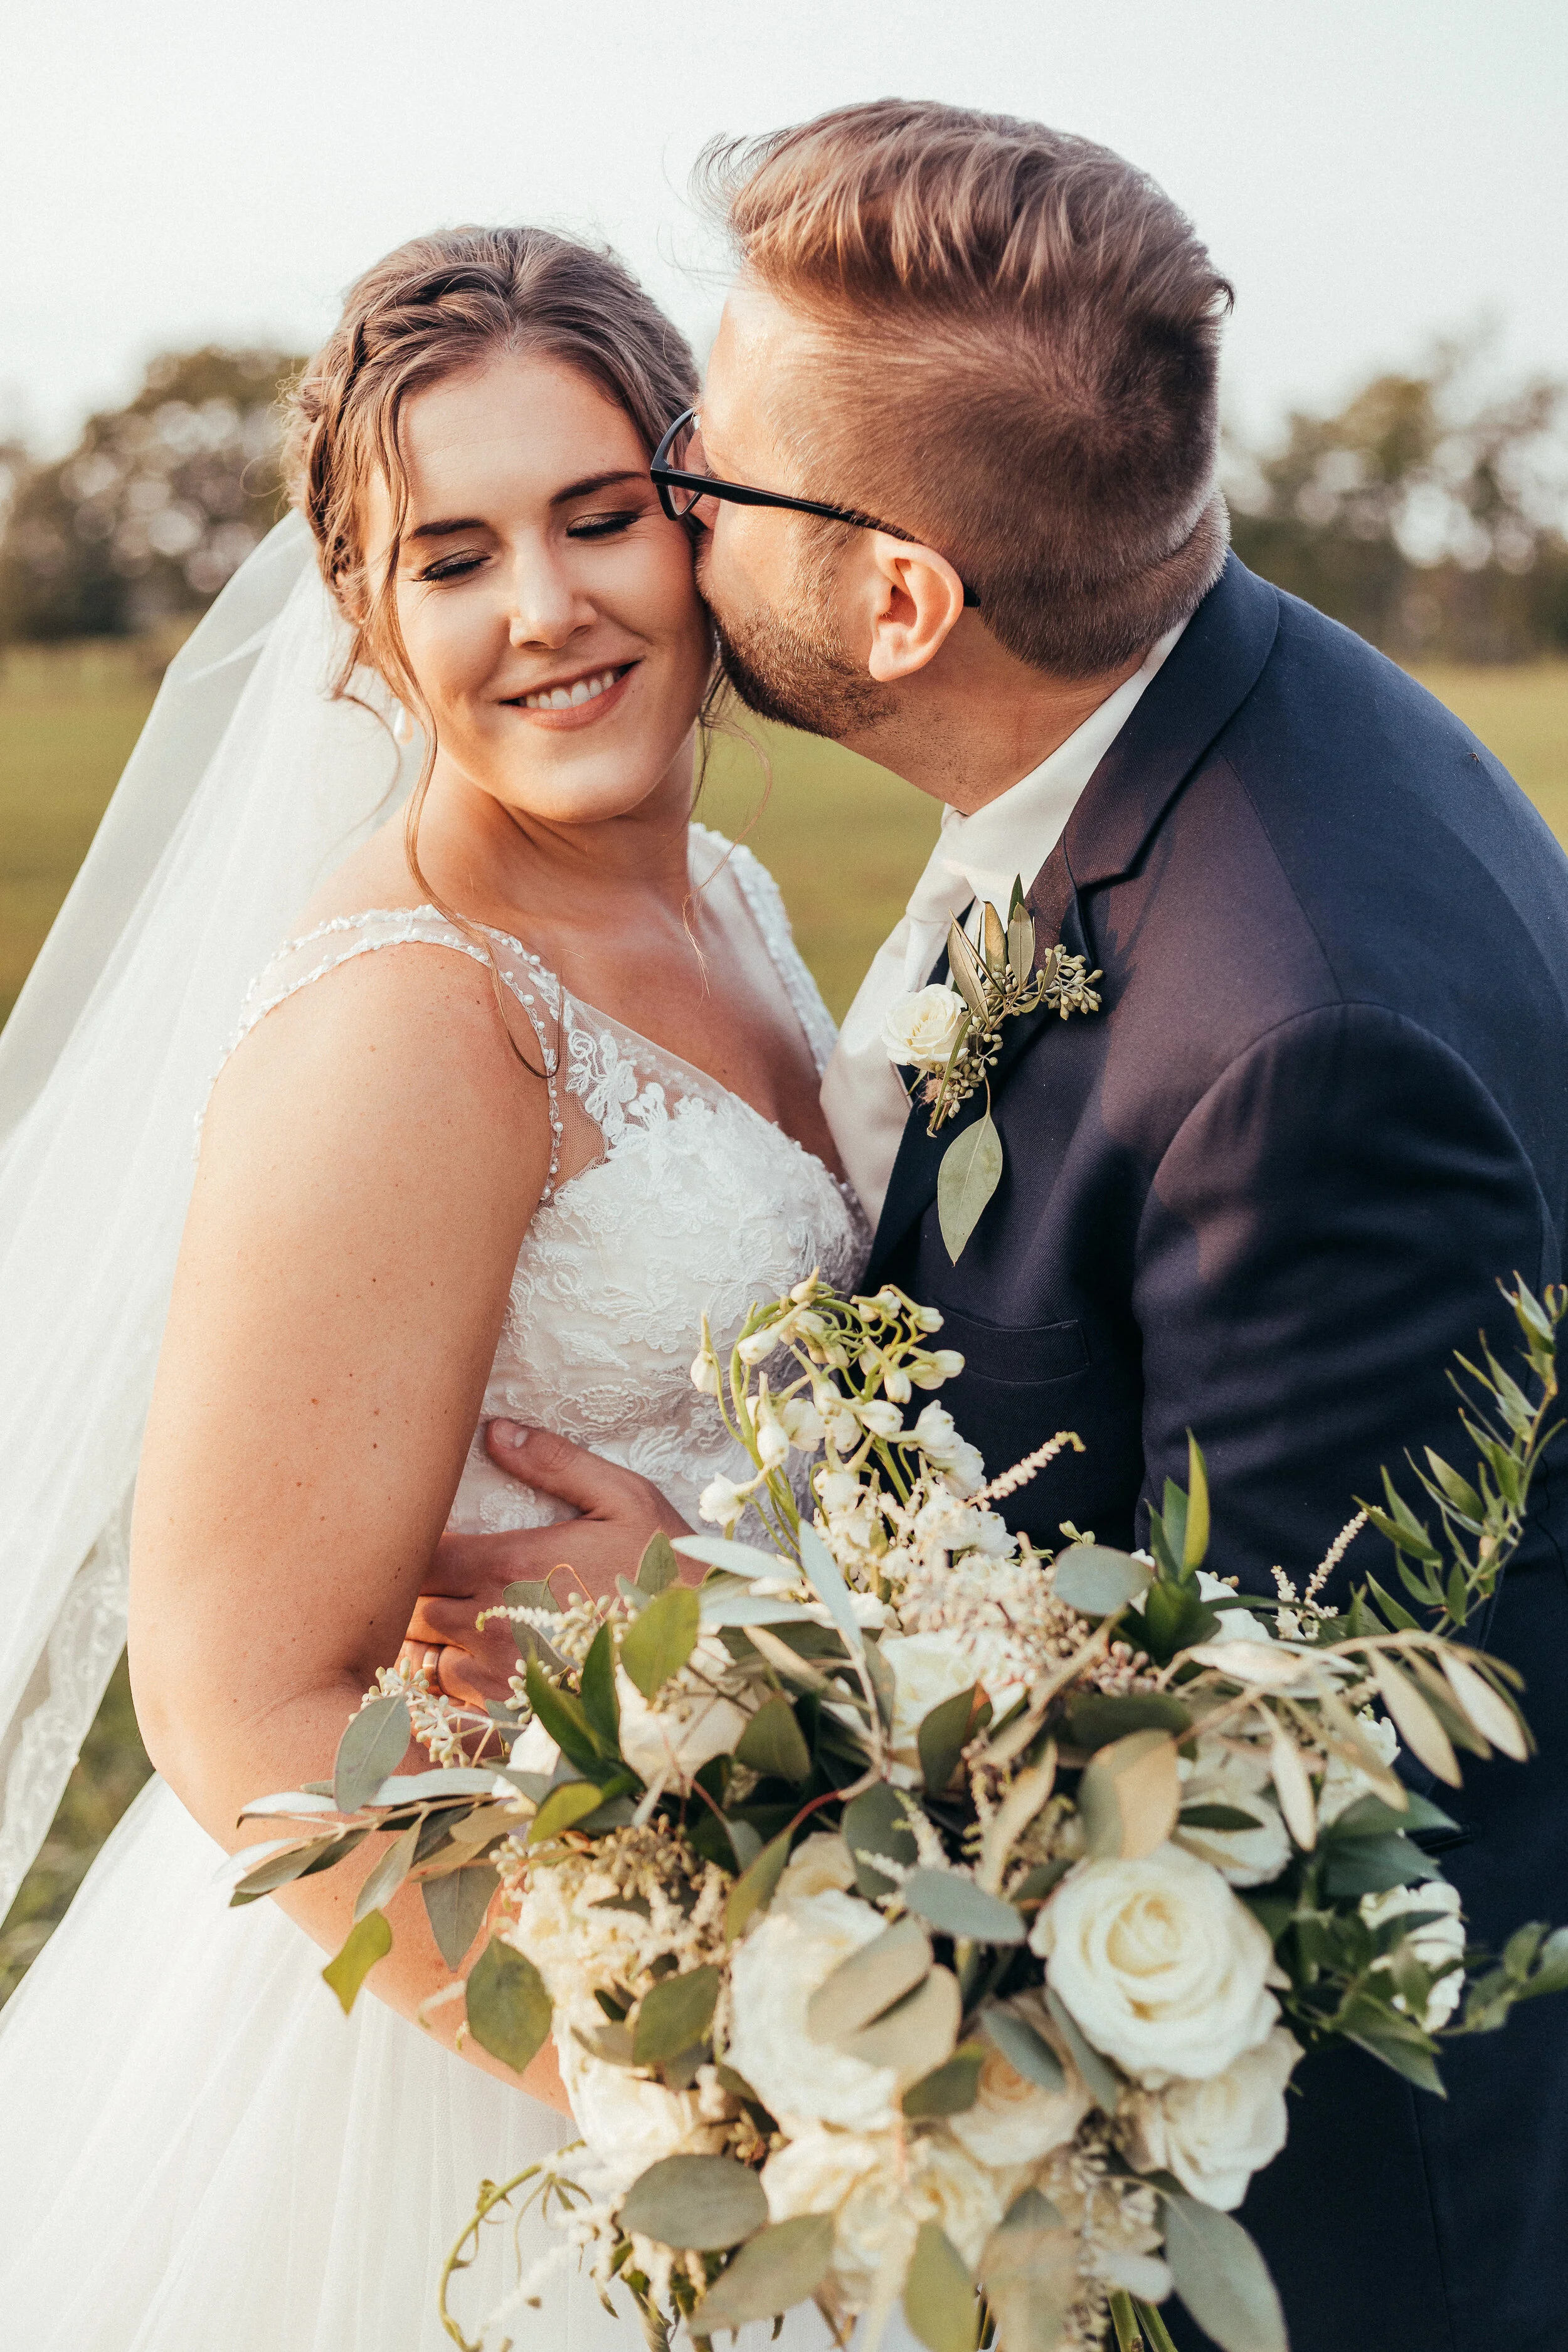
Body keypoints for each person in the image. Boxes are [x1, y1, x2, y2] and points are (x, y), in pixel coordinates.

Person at [447, 103, 1568, 2352]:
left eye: (710, 456)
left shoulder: (1290, 1044)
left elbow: (1235, 1807)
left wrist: (708, 1633)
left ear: (896, 596)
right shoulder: (1187, 709)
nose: (667, 484)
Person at [0, 225, 867, 2348]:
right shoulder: (414, 1017)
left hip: (770, 1880)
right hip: (485, 2036)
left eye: (598, 520)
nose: (547, 609)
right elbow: (241, 1702)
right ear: (371, 631)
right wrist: (689, 2096)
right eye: (452, 556)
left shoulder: (726, 896)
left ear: (704, 524)